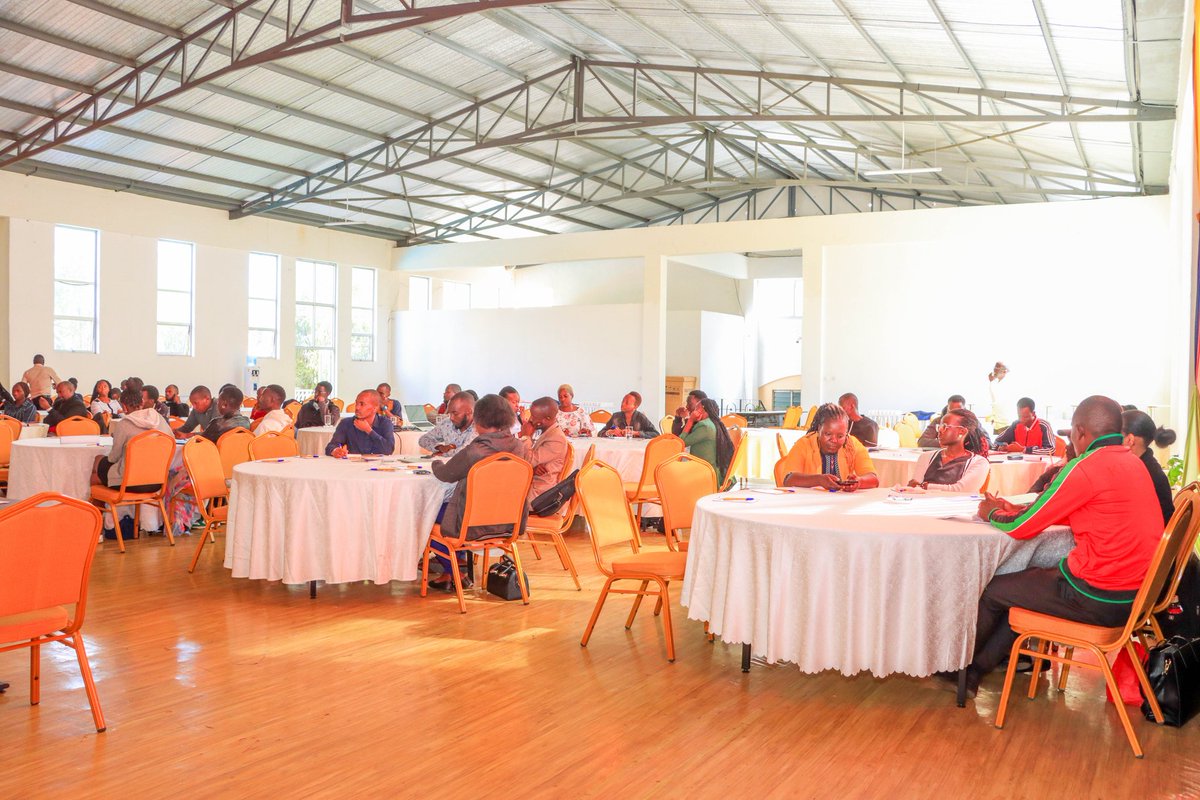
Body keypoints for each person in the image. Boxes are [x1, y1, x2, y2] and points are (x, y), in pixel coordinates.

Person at [954, 396, 1162, 699]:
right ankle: (977, 671)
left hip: (1098, 598)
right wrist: (1014, 508)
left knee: (996, 589)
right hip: (1138, 598)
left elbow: (1021, 529)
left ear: (1079, 432)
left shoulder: (1085, 466)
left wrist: (993, 514)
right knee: (1025, 583)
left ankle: (962, 673)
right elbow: (1073, 508)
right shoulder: (1133, 462)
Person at [427, 394, 530, 591]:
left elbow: (446, 475)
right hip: (509, 522)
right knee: (448, 509)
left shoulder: (476, 451)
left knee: (427, 513)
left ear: (478, 419)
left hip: (472, 525)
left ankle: (457, 570)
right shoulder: (519, 448)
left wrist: (435, 461)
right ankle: (452, 571)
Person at [780, 403, 879, 492]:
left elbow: (873, 479)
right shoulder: (804, 444)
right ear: (819, 429)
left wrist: (859, 482)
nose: (834, 440)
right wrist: (819, 480)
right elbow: (788, 479)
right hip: (809, 505)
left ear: (846, 433)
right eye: (828, 434)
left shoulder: (852, 445)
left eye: (840, 436)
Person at [93, 386, 174, 494]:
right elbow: (171, 442)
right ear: (142, 402)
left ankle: (98, 508)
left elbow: (113, 458)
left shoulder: (124, 424)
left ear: (124, 407)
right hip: (157, 482)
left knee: (98, 462)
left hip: (129, 482)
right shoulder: (159, 419)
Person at [907, 408, 989, 492]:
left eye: (945, 427)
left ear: (962, 432)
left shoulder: (979, 462)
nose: (940, 430)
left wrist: (925, 486)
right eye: (939, 426)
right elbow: (914, 488)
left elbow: (960, 491)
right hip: (923, 504)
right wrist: (920, 487)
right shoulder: (926, 457)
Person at [1122, 410, 1176, 525]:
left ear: (1130, 440)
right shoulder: (1146, 465)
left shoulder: (1143, 472)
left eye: (1117, 436)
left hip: (1152, 539)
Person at [521, 396, 568, 501]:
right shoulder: (548, 432)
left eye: (534, 416)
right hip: (533, 484)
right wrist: (532, 468)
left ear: (547, 419)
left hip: (538, 493)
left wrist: (525, 436)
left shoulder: (556, 439)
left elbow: (528, 460)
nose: (530, 419)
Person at [679, 397, 734, 484]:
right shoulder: (715, 423)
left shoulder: (704, 426)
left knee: (675, 471)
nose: (693, 411)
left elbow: (681, 443)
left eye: (697, 408)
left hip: (706, 473)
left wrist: (690, 420)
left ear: (703, 409)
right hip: (716, 472)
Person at [326, 390, 395, 457]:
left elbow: (388, 450)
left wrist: (369, 431)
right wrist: (335, 451)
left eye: (362, 404)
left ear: (375, 408)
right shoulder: (347, 423)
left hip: (379, 465)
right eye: (356, 403)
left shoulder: (385, 423)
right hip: (353, 465)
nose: (357, 407)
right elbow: (331, 446)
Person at [418, 391, 476, 455]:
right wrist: (439, 447)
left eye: (455, 413)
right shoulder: (447, 423)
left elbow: (464, 453)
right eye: (449, 413)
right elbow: (423, 439)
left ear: (469, 411)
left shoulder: (479, 427)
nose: (451, 418)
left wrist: (442, 454)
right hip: (446, 464)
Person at [986, 361, 1012, 432]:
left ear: (1004, 371)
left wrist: (992, 381)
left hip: (1005, 422)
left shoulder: (1007, 383)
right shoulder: (997, 383)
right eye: (995, 368)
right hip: (997, 421)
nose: (995, 371)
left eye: (998, 369)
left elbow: (997, 401)